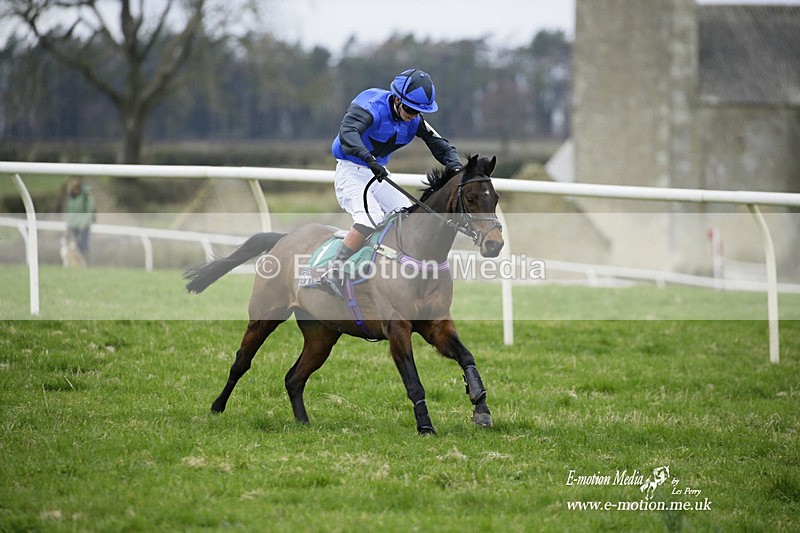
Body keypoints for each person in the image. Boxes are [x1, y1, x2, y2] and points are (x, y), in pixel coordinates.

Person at [320, 68, 463, 298]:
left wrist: (456, 168)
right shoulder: (371, 105)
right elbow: (348, 133)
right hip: (351, 170)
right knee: (371, 218)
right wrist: (368, 159)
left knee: (407, 216)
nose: (413, 115)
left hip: (377, 173)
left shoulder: (414, 119)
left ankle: (386, 271)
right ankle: (332, 271)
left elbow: (440, 144)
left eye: (418, 111)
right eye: (409, 109)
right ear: (396, 99)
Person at [64, 177, 96, 264]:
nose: (71, 191)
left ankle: (86, 264)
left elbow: (89, 211)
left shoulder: (86, 195)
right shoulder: (71, 196)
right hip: (73, 225)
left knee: (83, 246)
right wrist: (69, 224)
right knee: (74, 246)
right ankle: (78, 265)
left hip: (83, 226)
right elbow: (70, 212)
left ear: (77, 188)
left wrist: (84, 224)